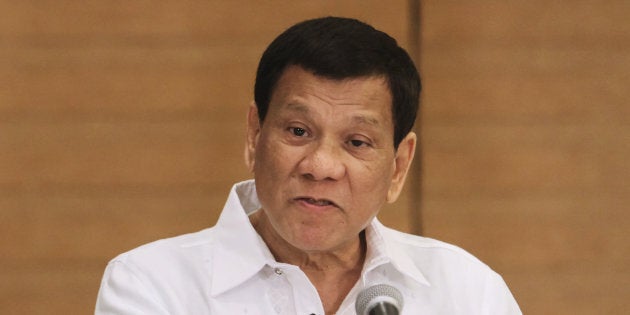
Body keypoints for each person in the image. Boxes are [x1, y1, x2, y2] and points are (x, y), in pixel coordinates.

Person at [95, 17, 521, 314]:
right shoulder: (152, 285)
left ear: (397, 166)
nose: (320, 166)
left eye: (357, 142)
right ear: (254, 136)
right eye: (298, 132)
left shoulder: (466, 291)